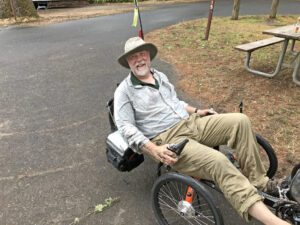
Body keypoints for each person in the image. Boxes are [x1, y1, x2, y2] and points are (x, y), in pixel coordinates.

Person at [114, 36, 290, 225]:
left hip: (191, 122)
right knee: (219, 161)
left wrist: (197, 111)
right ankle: (274, 221)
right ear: (127, 61)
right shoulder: (124, 91)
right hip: (167, 138)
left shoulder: (160, 76)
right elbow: (125, 126)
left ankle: (260, 183)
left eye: (142, 54)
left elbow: (176, 103)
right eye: (133, 57)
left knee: (240, 121)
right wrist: (154, 150)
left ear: (148, 55)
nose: (139, 59)